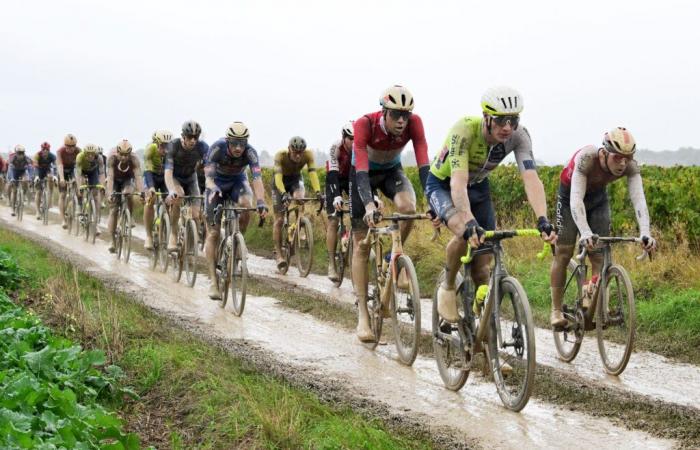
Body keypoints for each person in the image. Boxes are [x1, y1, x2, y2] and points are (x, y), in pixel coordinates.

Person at [426, 86, 556, 326]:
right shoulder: (464, 131)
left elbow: (531, 178)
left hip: (478, 186)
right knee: (464, 232)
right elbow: (458, 184)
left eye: (513, 120)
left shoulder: (519, 136)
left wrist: (543, 219)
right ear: (486, 118)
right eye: (500, 121)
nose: (507, 127)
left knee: (483, 265)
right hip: (444, 184)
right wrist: (469, 222)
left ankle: (486, 338)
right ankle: (447, 286)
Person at [549, 127, 656, 327]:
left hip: (598, 198)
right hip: (570, 197)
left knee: (599, 254)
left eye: (628, 157)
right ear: (604, 153)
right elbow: (576, 200)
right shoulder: (587, 158)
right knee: (563, 253)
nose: (623, 163)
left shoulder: (631, 166)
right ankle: (555, 310)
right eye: (617, 157)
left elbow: (639, 201)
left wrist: (645, 233)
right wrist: (585, 231)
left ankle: (594, 304)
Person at [351, 84, 430, 342]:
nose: (401, 120)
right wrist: (369, 205)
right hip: (363, 176)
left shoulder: (414, 124)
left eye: (405, 115)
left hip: (391, 172)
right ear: (383, 111)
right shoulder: (365, 124)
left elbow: (423, 165)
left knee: (408, 209)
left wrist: (434, 202)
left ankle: (392, 257)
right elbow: (361, 172)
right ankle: (363, 315)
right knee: (361, 246)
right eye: (396, 114)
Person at [204, 121, 268, 299]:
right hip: (215, 184)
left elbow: (256, 179)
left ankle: (238, 240)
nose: (239, 148)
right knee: (213, 233)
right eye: (234, 143)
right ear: (228, 141)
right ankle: (213, 282)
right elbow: (208, 177)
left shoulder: (251, 153)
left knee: (247, 205)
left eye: (242, 143)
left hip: (237, 182)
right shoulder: (217, 148)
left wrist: (261, 201)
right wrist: (213, 189)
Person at [271, 135, 322, 271]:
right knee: (279, 220)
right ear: (289, 149)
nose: (298, 156)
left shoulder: (308, 155)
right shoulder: (280, 156)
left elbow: (312, 173)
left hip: (295, 180)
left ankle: (299, 227)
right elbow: (277, 178)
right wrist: (283, 194)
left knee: (300, 198)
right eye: (295, 153)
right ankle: (279, 254)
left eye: (300, 153)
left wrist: (318, 191)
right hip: (279, 182)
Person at [164, 120, 209, 251]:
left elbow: (209, 169)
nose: (193, 140)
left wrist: (212, 186)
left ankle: (189, 247)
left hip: (191, 178)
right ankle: (173, 235)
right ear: (183, 136)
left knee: (195, 215)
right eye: (190, 137)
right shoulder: (173, 146)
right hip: (175, 178)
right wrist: (171, 190)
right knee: (179, 196)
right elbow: (168, 172)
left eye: (196, 137)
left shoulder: (202, 147)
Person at [325, 121, 354, 281]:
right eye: (350, 138)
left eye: (357, 138)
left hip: (351, 179)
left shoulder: (360, 148)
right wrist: (336, 196)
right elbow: (332, 175)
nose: (354, 142)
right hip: (335, 180)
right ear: (344, 138)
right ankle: (331, 263)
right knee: (334, 220)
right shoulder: (335, 147)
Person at [105, 139, 144, 253]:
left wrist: (141, 192)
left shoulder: (134, 159)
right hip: (115, 181)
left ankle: (129, 216)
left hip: (127, 179)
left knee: (129, 193)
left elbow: (138, 177)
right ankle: (112, 240)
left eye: (126, 155)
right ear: (117, 152)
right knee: (113, 210)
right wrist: (110, 193)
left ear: (130, 154)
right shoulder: (112, 158)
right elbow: (110, 178)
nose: (123, 157)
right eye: (121, 154)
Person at [143, 130, 172, 250]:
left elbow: (172, 172)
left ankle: (168, 231)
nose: (165, 150)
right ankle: (149, 236)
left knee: (171, 200)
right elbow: (148, 171)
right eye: (162, 146)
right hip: (152, 176)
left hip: (164, 177)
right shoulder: (150, 149)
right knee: (151, 199)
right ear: (156, 143)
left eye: (167, 146)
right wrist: (151, 187)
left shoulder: (171, 152)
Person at [56, 134, 81, 229]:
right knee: (62, 194)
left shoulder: (79, 151)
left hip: (72, 170)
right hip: (62, 170)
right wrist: (62, 178)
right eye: (69, 146)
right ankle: (63, 220)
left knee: (78, 186)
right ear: (65, 145)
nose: (71, 148)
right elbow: (59, 165)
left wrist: (79, 182)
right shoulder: (60, 151)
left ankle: (77, 205)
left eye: (73, 146)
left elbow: (79, 167)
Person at [75, 143, 106, 219]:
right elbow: (78, 175)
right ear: (84, 153)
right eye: (88, 154)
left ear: (95, 154)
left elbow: (102, 173)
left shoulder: (99, 158)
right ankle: (79, 205)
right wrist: (79, 187)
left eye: (92, 154)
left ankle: (95, 216)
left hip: (93, 172)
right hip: (82, 171)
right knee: (81, 185)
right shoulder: (79, 157)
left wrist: (102, 186)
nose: (90, 156)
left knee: (95, 192)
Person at [32, 141, 57, 219]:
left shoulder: (52, 156)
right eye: (43, 149)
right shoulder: (37, 155)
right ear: (41, 150)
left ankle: (50, 194)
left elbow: (56, 166)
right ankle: (37, 212)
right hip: (39, 171)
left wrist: (55, 176)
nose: (45, 151)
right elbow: (35, 167)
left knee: (51, 178)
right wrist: (36, 176)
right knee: (38, 191)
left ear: (49, 150)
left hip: (47, 170)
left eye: (47, 149)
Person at [7, 145, 33, 215]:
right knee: (14, 191)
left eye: (22, 153)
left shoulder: (26, 158)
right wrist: (12, 178)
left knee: (25, 181)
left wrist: (30, 178)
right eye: (19, 153)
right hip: (14, 172)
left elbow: (30, 168)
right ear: (16, 153)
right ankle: (13, 209)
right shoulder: (12, 158)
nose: (21, 155)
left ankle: (23, 195)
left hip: (22, 172)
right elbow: (10, 169)